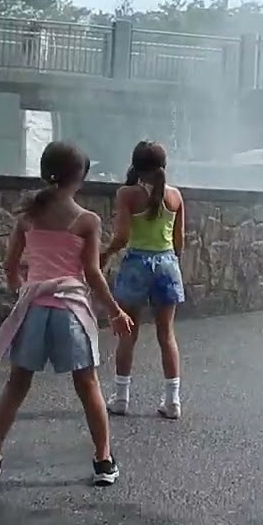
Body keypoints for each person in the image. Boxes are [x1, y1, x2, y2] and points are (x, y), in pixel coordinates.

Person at [0, 141, 134, 487]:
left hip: (34, 309)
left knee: (16, 385)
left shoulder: (28, 218)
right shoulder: (86, 221)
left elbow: (10, 265)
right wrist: (115, 311)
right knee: (87, 384)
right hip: (70, 311)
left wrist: (24, 288)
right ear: (80, 176)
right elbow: (92, 274)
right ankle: (103, 461)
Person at [101, 141, 187, 419]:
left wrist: (106, 253)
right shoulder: (175, 196)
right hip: (167, 263)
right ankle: (173, 400)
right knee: (166, 334)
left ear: (135, 165)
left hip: (137, 263)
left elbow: (123, 236)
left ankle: (121, 397)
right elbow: (179, 241)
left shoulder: (127, 194)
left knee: (128, 333)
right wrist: (171, 263)